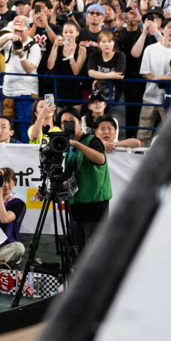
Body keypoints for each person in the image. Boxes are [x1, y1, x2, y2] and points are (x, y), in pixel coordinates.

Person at [58, 107, 111, 252]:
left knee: (94, 253)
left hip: (94, 206)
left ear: (80, 123)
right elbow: (73, 177)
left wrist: (77, 144)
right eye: (64, 123)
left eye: (71, 121)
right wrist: (56, 186)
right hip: (76, 206)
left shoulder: (92, 140)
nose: (68, 125)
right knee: (79, 253)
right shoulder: (67, 148)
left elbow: (101, 159)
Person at [138, 17, 171, 145]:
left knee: (170, 134)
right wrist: (162, 79)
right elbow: (144, 72)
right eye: (169, 27)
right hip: (149, 96)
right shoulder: (150, 49)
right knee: (143, 134)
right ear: (162, 30)